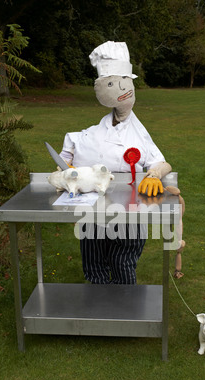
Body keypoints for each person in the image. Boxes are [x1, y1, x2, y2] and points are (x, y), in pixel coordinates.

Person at [59, 41, 172, 284]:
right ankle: (99, 309)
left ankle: (126, 311)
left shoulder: (138, 134)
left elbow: (162, 162)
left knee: (123, 262)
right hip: (92, 209)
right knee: (94, 262)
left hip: (128, 211)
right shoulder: (96, 131)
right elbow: (73, 144)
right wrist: (65, 166)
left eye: (121, 82)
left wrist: (153, 175)